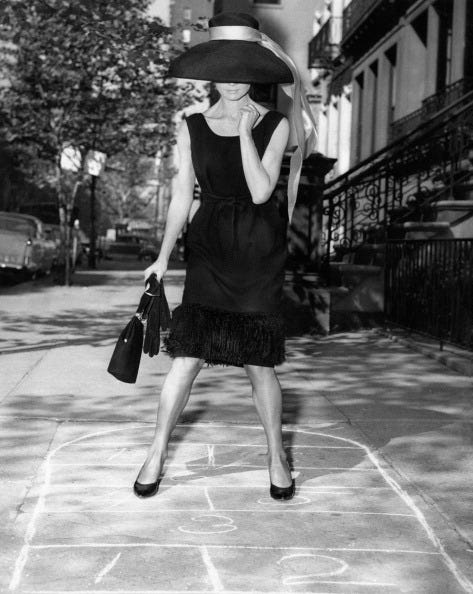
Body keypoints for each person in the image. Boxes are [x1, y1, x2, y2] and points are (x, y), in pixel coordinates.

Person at [133, 11, 317, 501]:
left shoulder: (275, 124)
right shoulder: (190, 124)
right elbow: (180, 195)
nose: (234, 83)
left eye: (244, 72)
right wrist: (163, 256)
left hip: (258, 250)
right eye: (225, 71)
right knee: (187, 356)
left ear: (255, 73)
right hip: (210, 246)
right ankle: (155, 453)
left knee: (260, 363)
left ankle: (277, 459)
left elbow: (260, 192)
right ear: (211, 73)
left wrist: (242, 133)